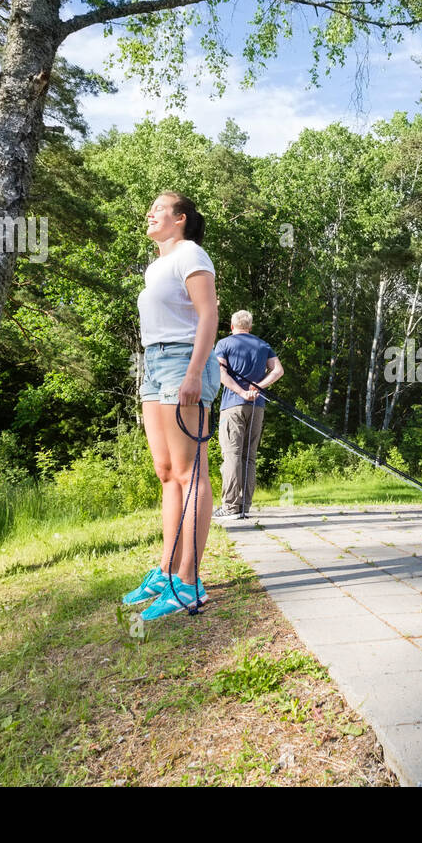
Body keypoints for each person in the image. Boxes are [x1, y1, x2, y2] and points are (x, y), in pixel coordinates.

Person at [121, 191, 221, 620]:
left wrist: (195, 372)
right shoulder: (155, 265)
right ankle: (166, 570)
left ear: (180, 218)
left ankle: (188, 581)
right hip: (154, 363)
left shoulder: (191, 254)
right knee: (166, 473)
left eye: (159, 208)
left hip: (184, 360)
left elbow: (209, 315)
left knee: (189, 470)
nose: (150, 212)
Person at [212, 310, 283, 521]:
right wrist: (258, 387)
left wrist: (242, 392)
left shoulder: (224, 344)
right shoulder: (263, 345)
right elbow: (278, 371)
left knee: (232, 455)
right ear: (250, 327)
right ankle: (244, 505)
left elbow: (220, 372)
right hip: (257, 406)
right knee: (249, 456)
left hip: (233, 406)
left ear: (232, 327)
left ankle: (230, 507)